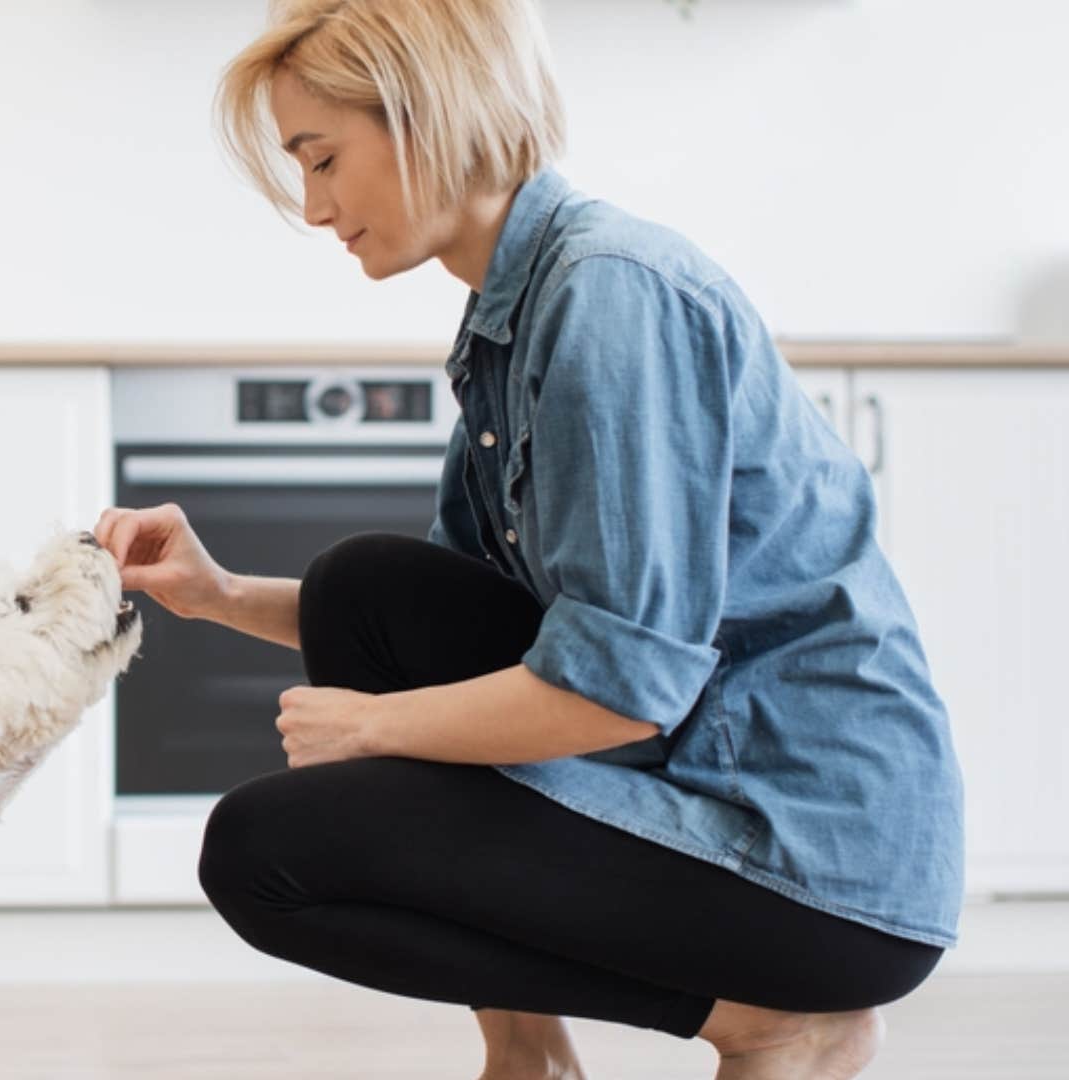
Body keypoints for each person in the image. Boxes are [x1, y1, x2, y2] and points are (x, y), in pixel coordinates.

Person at [91, 1, 964, 1077]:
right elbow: (433, 618)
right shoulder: (514, 316)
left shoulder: (609, 294)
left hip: (812, 856)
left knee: (266, 852)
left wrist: (373, 732)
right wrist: (216, 594)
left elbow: (623, 686)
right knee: (368, 590)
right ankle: (528, 1053)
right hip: (694, 775)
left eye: (323, 160)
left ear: (427, 114)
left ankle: (771, 1020)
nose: (315, 208)